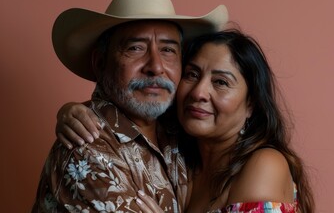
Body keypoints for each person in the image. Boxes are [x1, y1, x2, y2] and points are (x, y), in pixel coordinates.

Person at [56, 30, 315, 212]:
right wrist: (71, 111)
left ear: (252, 105)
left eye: (221, 82)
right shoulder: (177, 153)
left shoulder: (264, 164)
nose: (199, 92)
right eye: (192, 74)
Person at [32, 0, 228, 212]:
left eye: (168, 50)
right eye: (135, 48)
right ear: (100, 62)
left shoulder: (180, 125)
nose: (156, 66)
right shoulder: (85, 146)